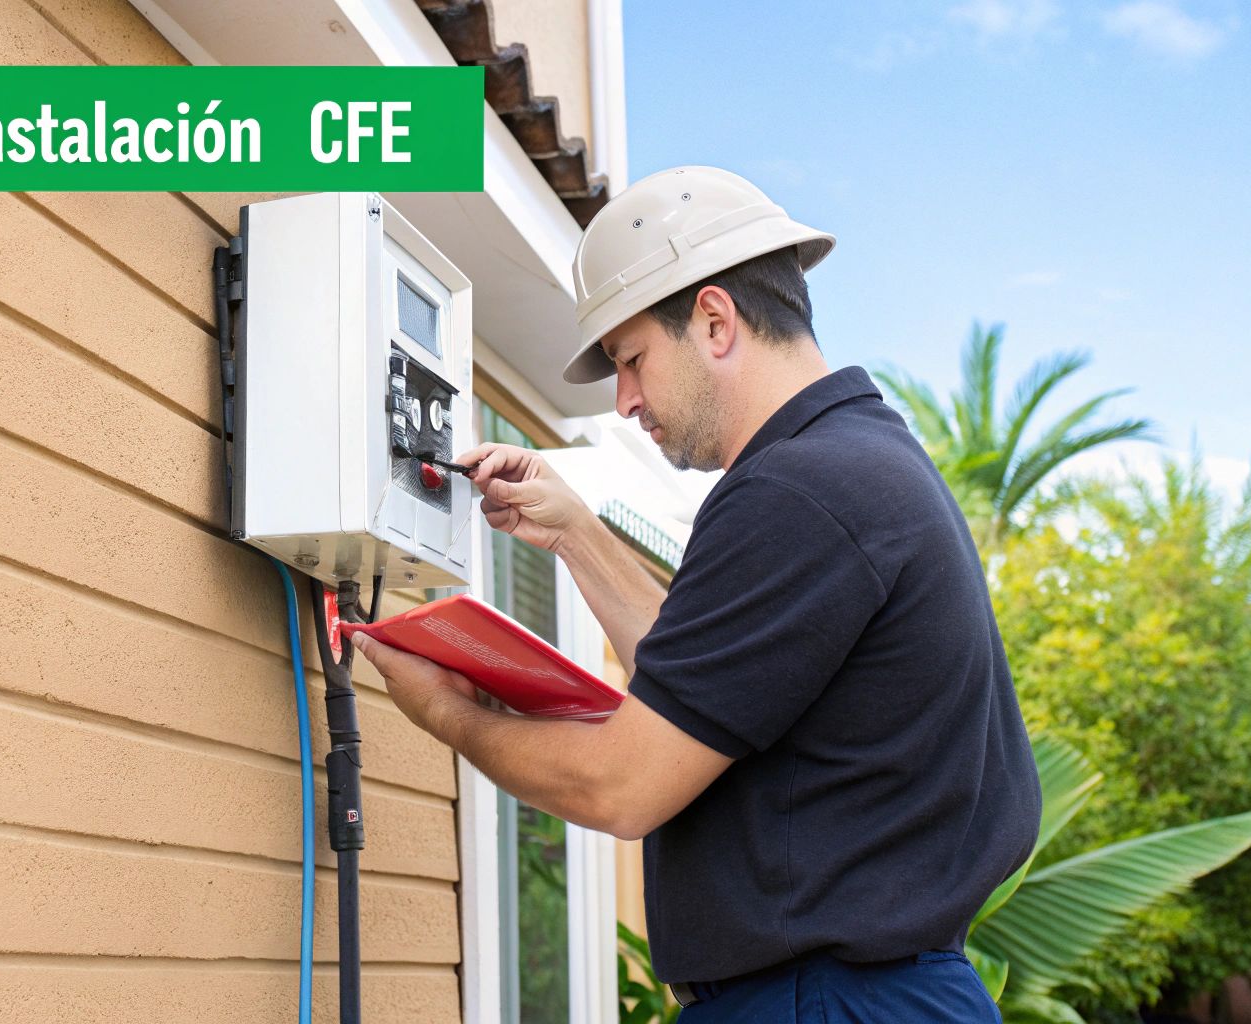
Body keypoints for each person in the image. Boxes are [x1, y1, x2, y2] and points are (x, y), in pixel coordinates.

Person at [350, 166, 1042, 1022]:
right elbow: (707, 686)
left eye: (630, 360)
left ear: (715, 320)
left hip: (824, 1003)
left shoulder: (798, 492)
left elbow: (620, 786)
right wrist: (575, 534)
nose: (625, 401)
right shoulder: (857, 465)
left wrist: (446, 712)